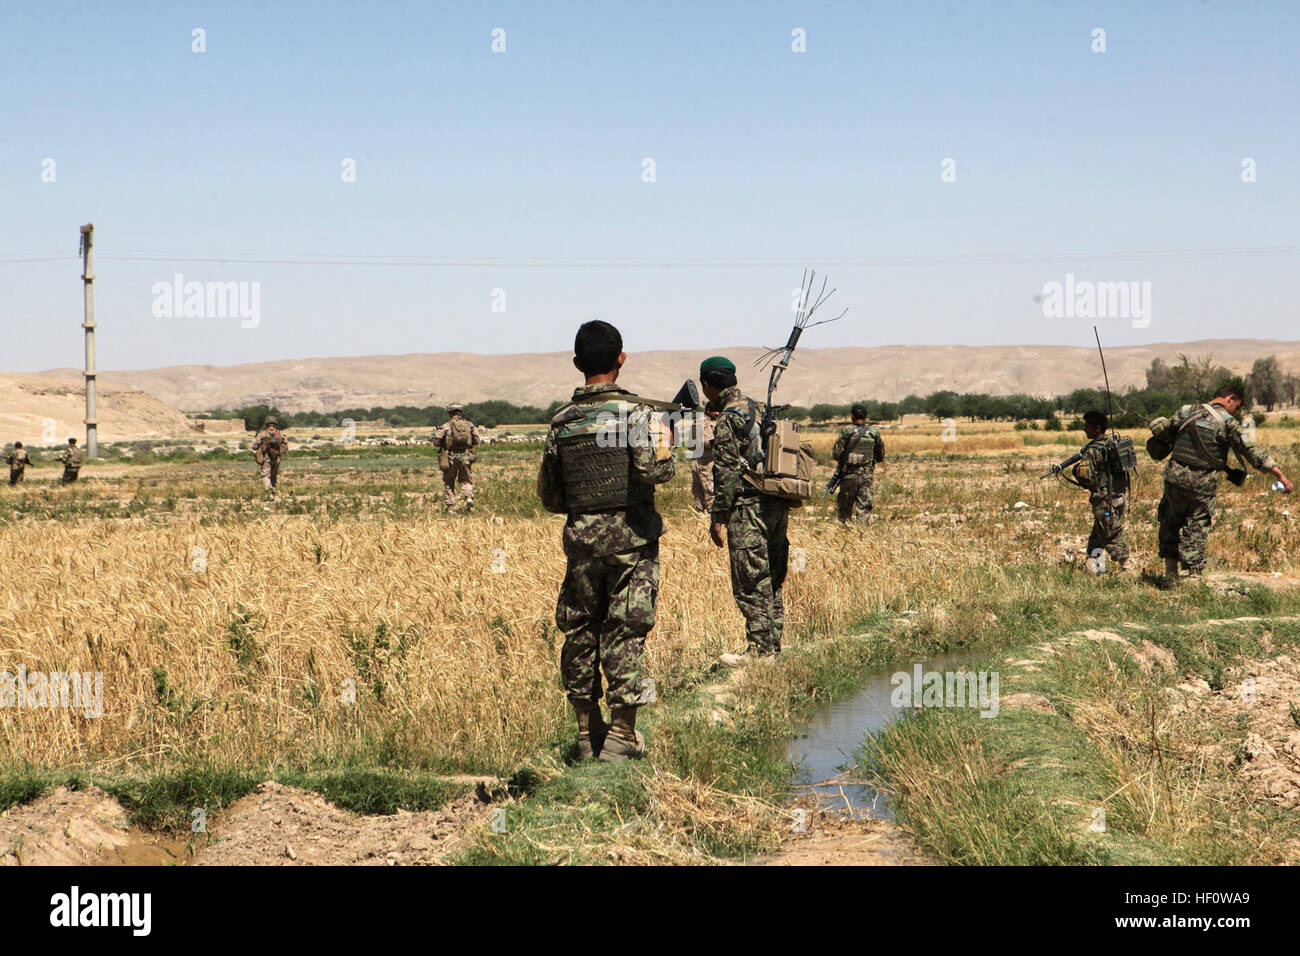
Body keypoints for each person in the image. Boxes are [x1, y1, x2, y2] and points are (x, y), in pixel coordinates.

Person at [537, 320, 675, 761]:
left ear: (577, 364)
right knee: (626, 629)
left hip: (581, 545)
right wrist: (668, 444)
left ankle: (584, 732)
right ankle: (620, 734)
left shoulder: (561, 423)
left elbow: (552, 497)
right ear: (621, 359)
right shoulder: (638, 414)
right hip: (631, 543)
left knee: (580, 629)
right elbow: (656, 472)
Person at [1150, 383, 1293, 582]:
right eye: (1237, 405)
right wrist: (1280, 476)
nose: (1235, 410)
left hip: (1175, 478)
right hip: (1202, 482)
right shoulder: (1227, 422)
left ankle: (1170, 573)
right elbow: (1251, 451)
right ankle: (1193, 575)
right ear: (1230, 399)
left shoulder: (1185, 411)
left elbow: (1165, 436)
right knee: (1197, 524)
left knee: (1170, 520)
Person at [701, 356, 789, 665]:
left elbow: (724, 471)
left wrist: (718, 517)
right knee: (772, 575)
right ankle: (772, 644)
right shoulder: (757, 409)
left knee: (750, 580)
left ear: (707, 385)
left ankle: (760, 651)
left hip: (748, 507)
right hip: (776, 504)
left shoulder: (728, 418)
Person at [1071, 411, 1130, 573]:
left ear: (1097, 429)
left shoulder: (1093, 450)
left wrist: (1075, 471)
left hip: (1104, 498)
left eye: (1087, 426)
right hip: (1118, 495)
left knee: (1110, 532)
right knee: (1099, 532)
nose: (1084, 430)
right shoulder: (1114, 444)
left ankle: (1127, 566)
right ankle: (1095, 566)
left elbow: (1086, 477)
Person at [831, 404, 885, 525]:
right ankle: (861, 535)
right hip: (866, 477)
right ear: (865, 417)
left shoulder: (846, 431)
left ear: (852, 416)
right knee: (864, 508)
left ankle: (844, 534)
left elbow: (836, 454)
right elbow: (880, 455)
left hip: (848, 476)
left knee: (845, 510)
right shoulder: (873, 432)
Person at [432, 404, 481, 513]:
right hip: (466, 456)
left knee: (449, 481)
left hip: (450, 457)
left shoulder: (446, 426)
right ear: (460, 412)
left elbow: (436, 442)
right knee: (466, 480)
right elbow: (477, 441)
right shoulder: (470, 425)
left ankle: (450, 507)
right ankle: (468, 498)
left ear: (450, 413)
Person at [689, 408, 719, 513]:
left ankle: (700, 516)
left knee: (698, 491)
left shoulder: (698, 421)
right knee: (709, 490)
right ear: (709, 410)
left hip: (699, 461)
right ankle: (710, 516)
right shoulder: (703, 422)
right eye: (716, 411)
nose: (718, 413)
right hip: (705, 462)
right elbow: (708, 442)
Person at [252, 417, 287, 494]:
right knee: (273, 475)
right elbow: (285, 443)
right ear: (275, 424)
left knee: (265, 475)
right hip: (277, 458)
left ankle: (269, 490)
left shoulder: (262, 434)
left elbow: (254, 446)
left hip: (266, 457)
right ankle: (274, 491)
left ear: (267, 424)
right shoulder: (279, 434)